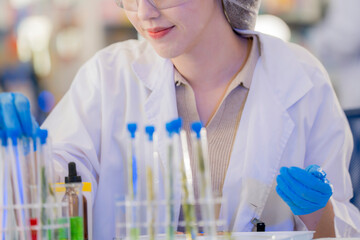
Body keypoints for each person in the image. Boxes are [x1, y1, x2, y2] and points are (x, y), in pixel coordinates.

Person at [1, 0, 360, 239]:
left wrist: (319, 214)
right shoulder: (107, 78)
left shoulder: (301, 80)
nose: (145, 12)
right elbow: (53, 192)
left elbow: (340, 226)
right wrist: (21, 158)